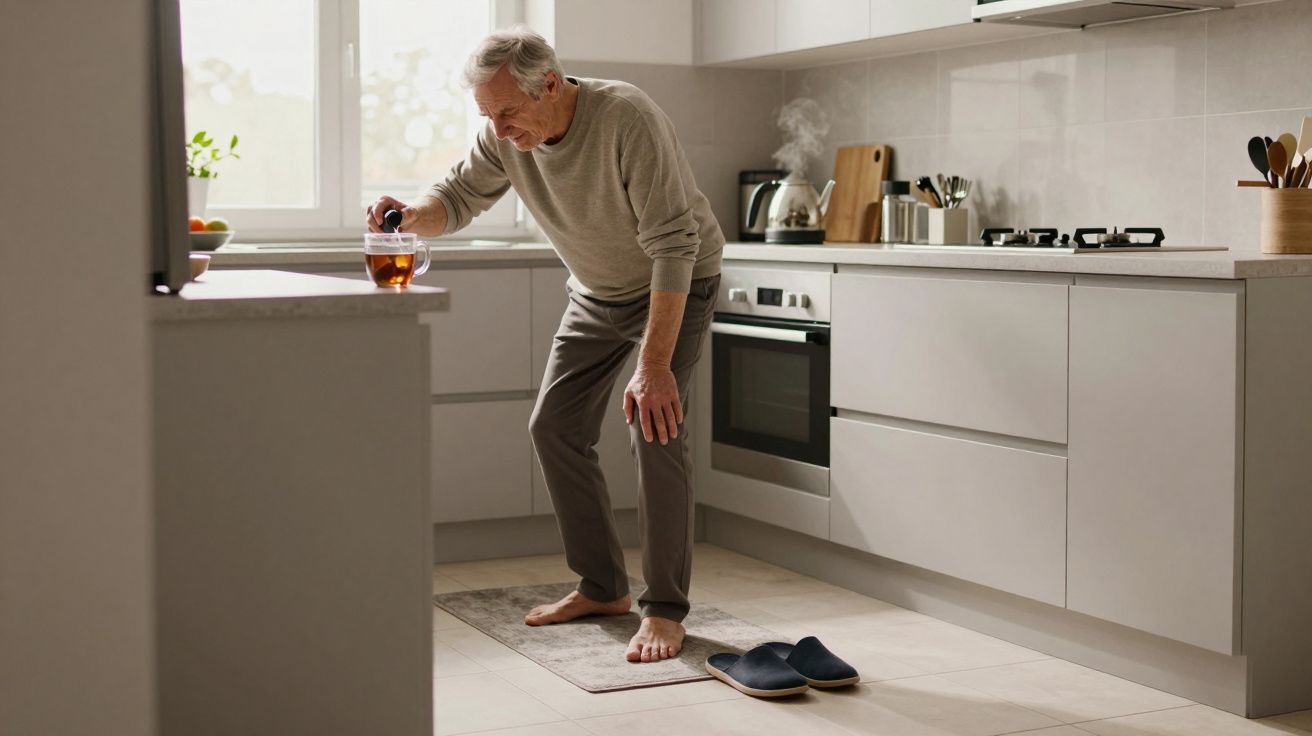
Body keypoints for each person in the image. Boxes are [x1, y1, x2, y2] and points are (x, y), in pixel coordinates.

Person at [366, 27, 724, 663]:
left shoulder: (627, 118)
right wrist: (413, 215)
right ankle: (603, 586)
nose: (500, 130)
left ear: (551, 84)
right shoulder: (502, 136)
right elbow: (457, 196)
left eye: (508, 112)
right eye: (487, 115)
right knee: (553, 427)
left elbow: (675, 244)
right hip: (596, 290)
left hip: (675, 281)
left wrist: (655, 366)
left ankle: (665, 609)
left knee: (656, 423)